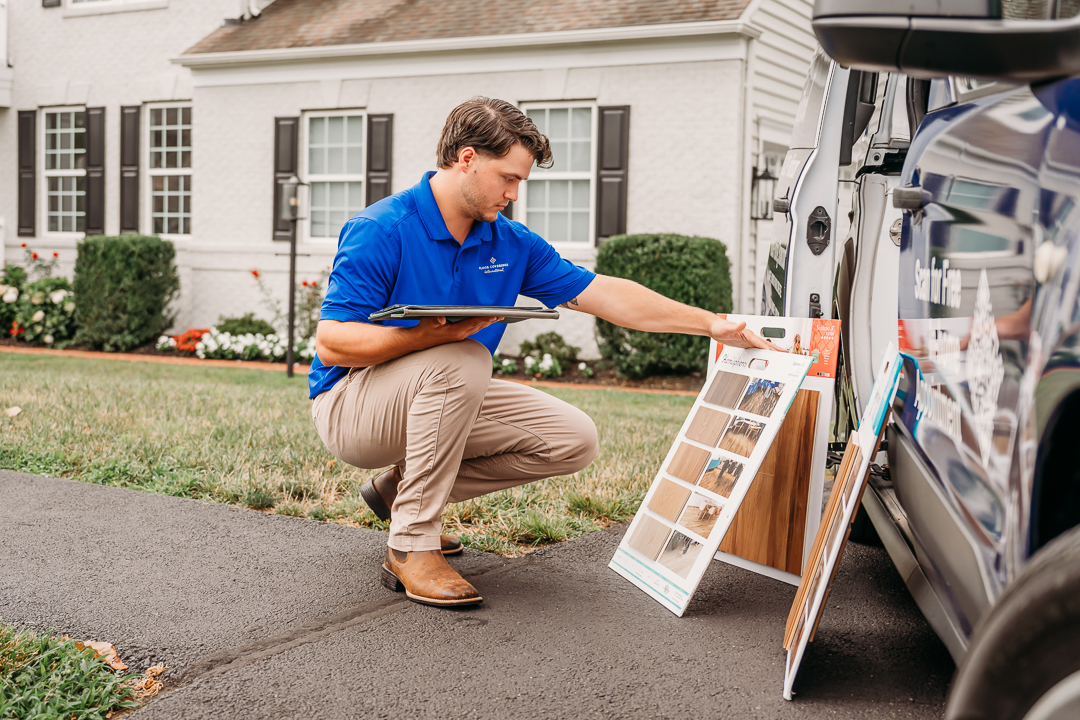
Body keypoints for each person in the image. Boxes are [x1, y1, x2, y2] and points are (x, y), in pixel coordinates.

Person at [310, 96, 774, 609]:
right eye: (507, 178)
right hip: (350, 407)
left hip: (440, 389)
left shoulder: (510, 243)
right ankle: (411, 545)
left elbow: (606, 294)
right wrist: (433, 335)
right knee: (465, 358)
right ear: (467, 158)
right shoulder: (384, 228)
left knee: (571, 439)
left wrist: (711, 323)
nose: (513, 194)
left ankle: (400, 494)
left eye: (520, 182)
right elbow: (333, 344)